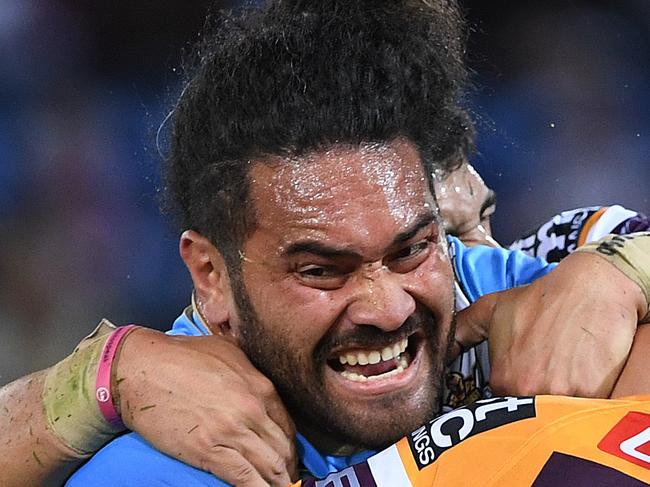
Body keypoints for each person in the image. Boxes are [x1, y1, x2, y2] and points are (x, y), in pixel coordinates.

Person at [2, 1, 649, 485]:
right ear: (211, 275)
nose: (387, 306)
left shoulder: (493, 295)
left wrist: (617, 274)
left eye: (410, 249)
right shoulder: (160, 465)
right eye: (322, 270)